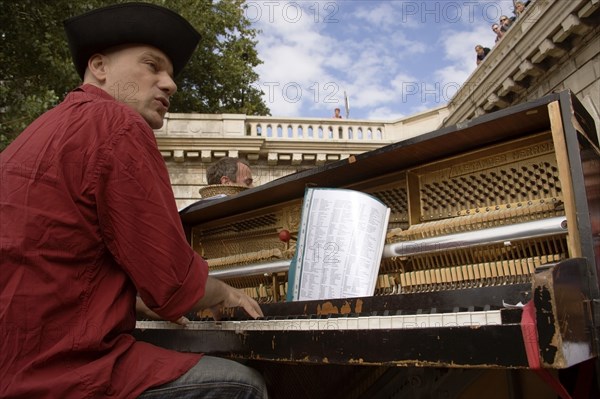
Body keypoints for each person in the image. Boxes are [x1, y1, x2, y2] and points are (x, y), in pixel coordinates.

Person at [0, 3, 267, 399]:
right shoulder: (117, 124)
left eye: (171, 75)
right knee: (246, 385)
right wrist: (228, 294)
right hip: (62, 372)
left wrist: (134, 304)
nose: (169, 84)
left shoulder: (36, 133)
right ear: (100, 66)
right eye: (152, 65)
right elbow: (173, 283)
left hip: (17, 361)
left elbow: (62, 263)